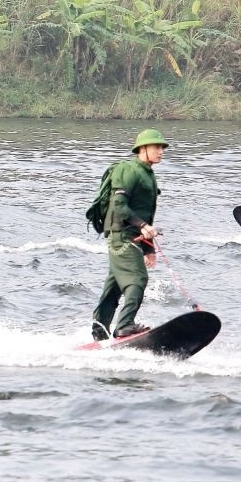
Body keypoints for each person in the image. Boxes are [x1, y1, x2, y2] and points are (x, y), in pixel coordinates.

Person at [91, 129, 170, 341]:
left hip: (134, 237)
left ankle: (100, 327)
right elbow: (118, 205)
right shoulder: (128, 170)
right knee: (137, 278)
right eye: (156, 147)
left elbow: (146, 214)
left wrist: (149, 248)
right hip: (121, 236)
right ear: (142, 149)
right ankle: (125, 325)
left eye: (162, 147)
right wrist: (142, 225)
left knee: (116, 284)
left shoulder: (149, 174)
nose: (161, 151)